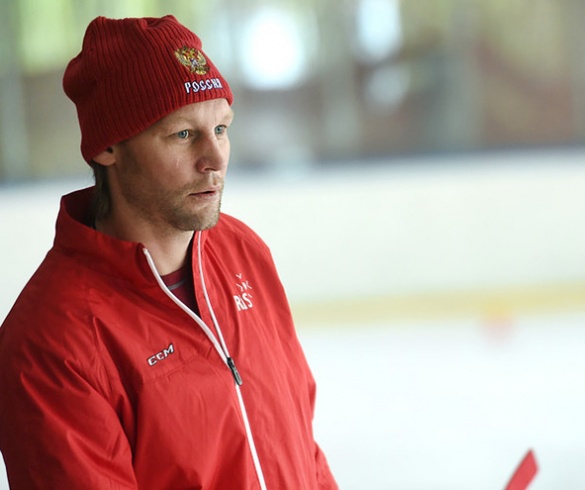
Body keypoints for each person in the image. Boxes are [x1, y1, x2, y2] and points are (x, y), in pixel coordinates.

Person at [0, 15, 338, 490]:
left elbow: (303, 447)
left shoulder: (243, 252)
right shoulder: (52, 341)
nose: (215, 159)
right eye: (183, 134)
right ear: (109, 148)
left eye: (221, 128)